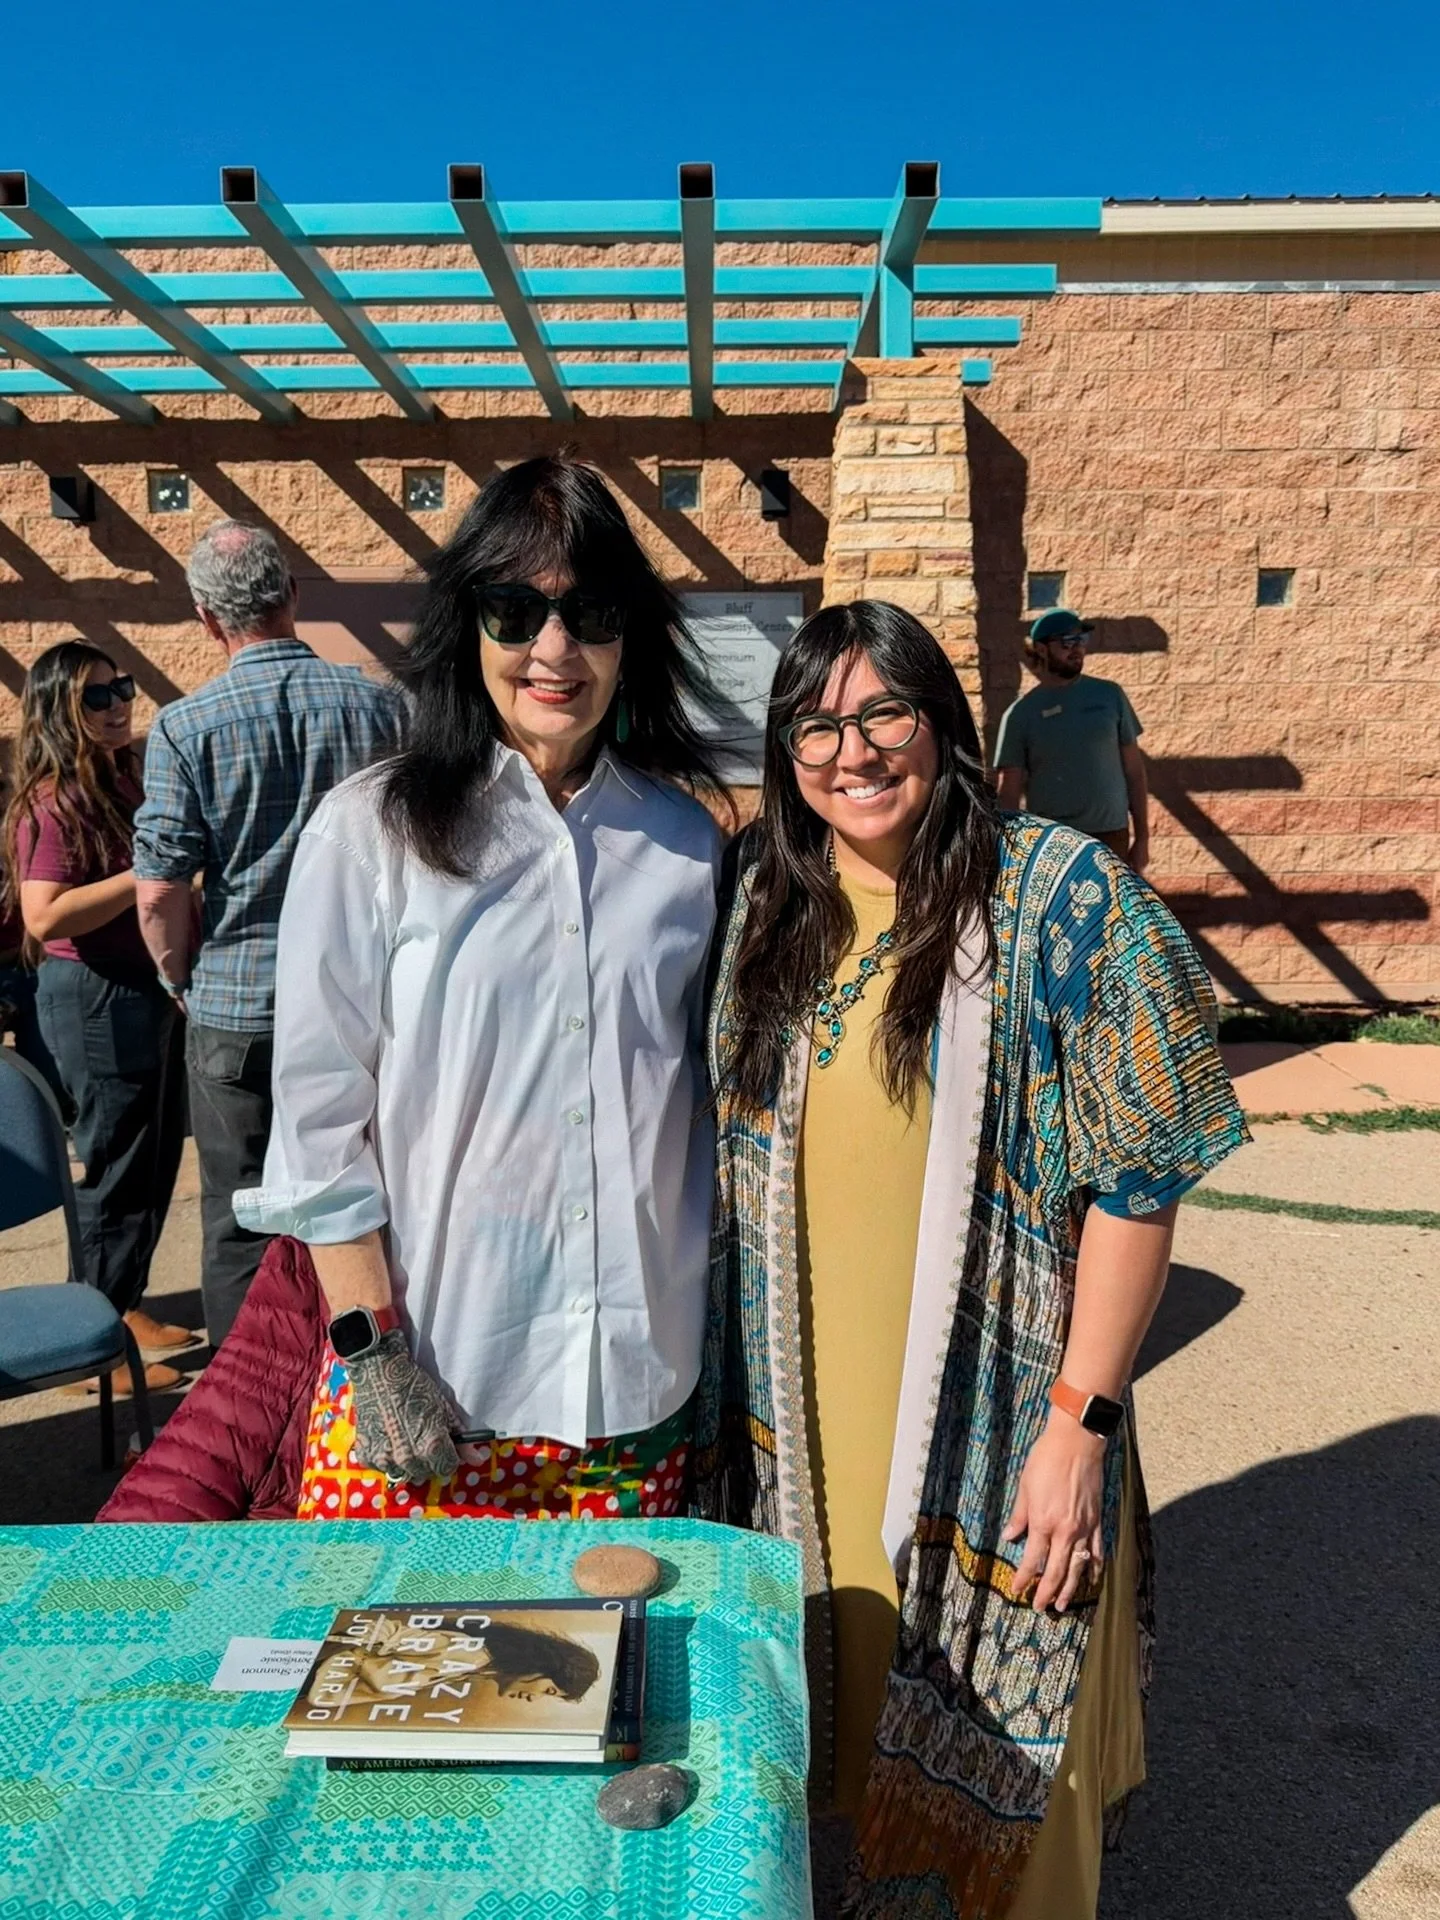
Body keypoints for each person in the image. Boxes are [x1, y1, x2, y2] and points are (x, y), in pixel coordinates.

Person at [693, 601, 1246, 1920]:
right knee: (839, 1728)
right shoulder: (769, 894)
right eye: (816, 725)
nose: (853, 751)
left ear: (941, 723)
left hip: (1008, 1431)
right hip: (808, 1433)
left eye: (884, 712)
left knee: (1016, 1798)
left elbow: (1141, 1179)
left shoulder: (1060, 897)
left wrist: (1080, 1425)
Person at [232, 455, 727, 1525]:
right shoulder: (372, 833)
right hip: (429, 1396)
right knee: (394, 1644)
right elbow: (320, 1124)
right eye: (515, 610)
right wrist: (372, 1355)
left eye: (590, 613)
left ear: (630, 635)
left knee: (617, 1643)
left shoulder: (688, 845)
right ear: (468, 624)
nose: (554, 649)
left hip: (634, 1398)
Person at [132, 521, 405, 1350]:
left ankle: (246, 1397)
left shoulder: (184, 727)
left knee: (236, 1220)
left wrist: (176, 975)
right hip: (364, 996)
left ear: (206, 619)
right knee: (363, 1199)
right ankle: (355, 1377)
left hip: (237, 1006)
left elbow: (160, 888)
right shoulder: (380, 707)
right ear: (291, 595)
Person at [2, 642, 189, 1383]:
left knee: (151, 1158)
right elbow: (44, 916)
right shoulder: (54, 802)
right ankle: (95, 1339)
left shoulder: (120, 778)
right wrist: (146, 873)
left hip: (138, 989)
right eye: (96, 696)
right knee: (115, 1166)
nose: (118, 705)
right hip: (93, 997)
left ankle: (122, 1302)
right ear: (59, 710)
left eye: (123, 687)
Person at [993, 607, 1150, 868]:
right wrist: (1009, 854)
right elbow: (1008, 791)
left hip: (1112, 838)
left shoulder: (1110, 696)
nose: (1076, 648)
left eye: (1081, 640)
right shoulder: (1020, 714)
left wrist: (1142, 838)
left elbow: (1134, 772)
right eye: (1067, 642)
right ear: (1042, 649)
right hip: (1053, 842)